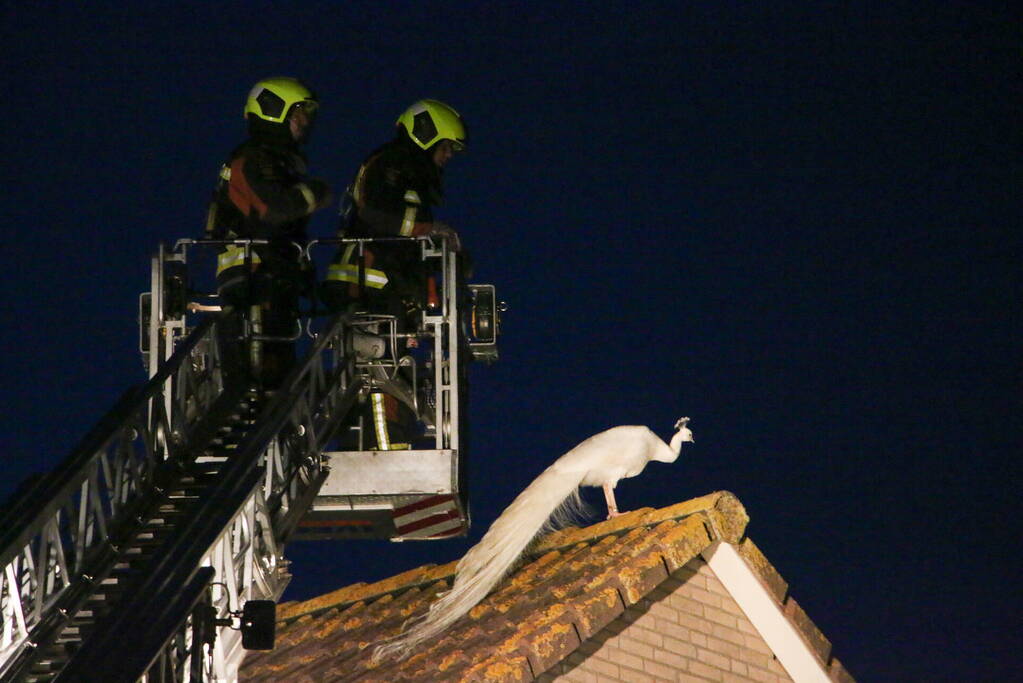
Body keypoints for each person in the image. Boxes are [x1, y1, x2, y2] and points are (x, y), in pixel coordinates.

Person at [323, 99, 467, 449]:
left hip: (384, 289)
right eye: (445, 147)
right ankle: (384, 452)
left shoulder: (405, 171)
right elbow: (378, 216)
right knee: (376, 375)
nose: (448, 156)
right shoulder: (391, 165)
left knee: (387, 371)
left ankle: (385, 444)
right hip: (368, 286)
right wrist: (428, 229)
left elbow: (404, 247)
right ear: (427, 135)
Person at [204, 76, 332, 389]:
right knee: (258, 378)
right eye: (297, 113)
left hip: (271, 278)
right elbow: (276, 208)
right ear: (275, 112)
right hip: (252, 282)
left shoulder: (275, 161)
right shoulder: (253, 160)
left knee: (276, 373)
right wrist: (315, 193)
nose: (304, 122)